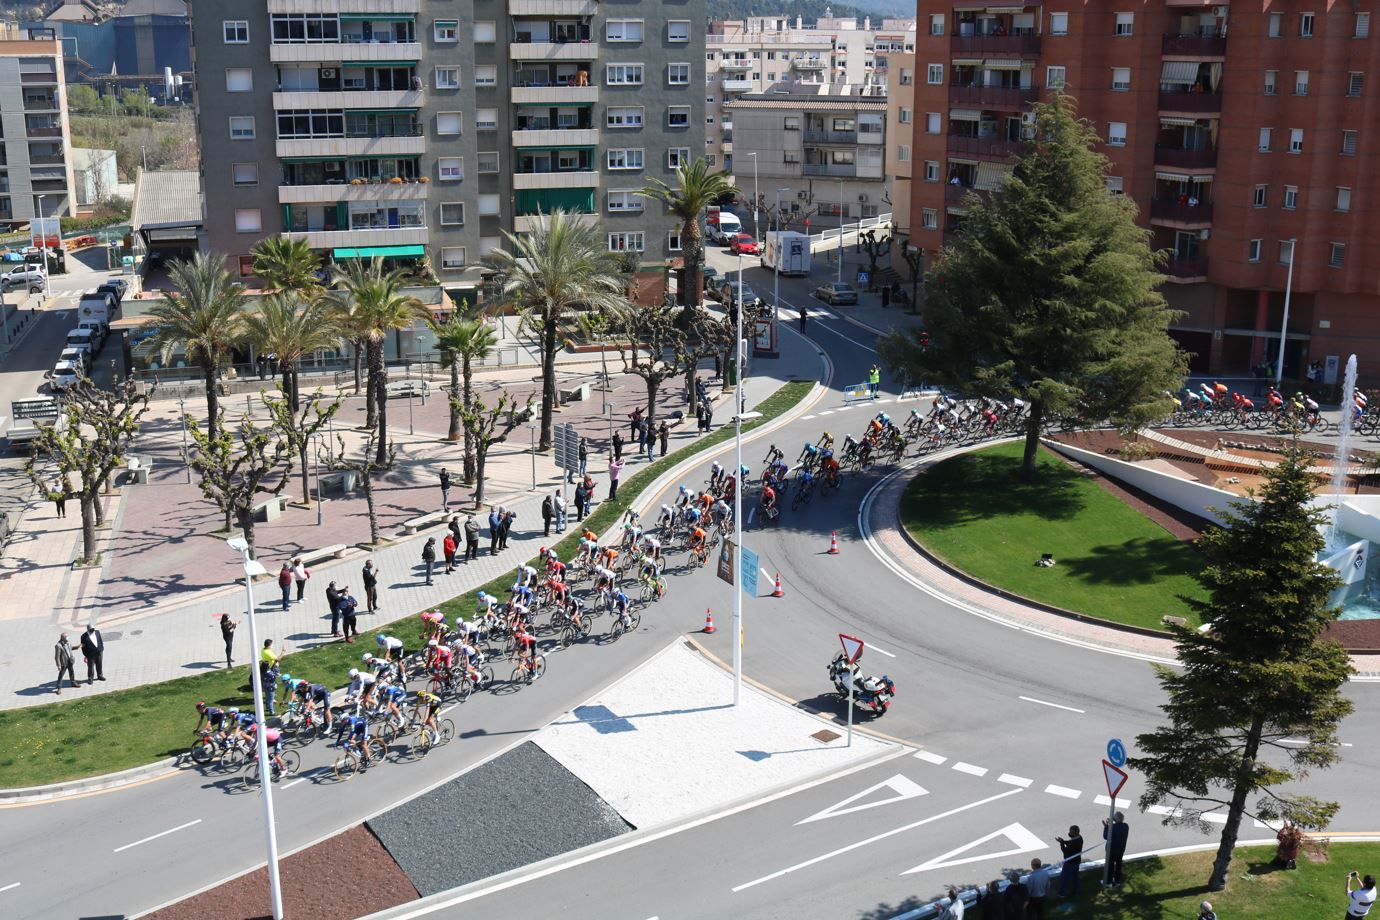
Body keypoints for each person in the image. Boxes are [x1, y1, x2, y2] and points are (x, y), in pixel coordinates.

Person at [1055, 825, 1083, 897]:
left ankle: (1061, 893)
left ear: (1073, 832)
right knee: (1075, 877)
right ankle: (1076, 891)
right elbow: (1070, 842)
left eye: (1070, 831)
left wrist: (1061, 843)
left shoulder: (1073, 843)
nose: (1069, 832)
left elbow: (1065, 851)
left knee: (1064, 878)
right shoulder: (1079, 838)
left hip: (1070, 863)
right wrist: (1064, 841)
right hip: (1077, 861)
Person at [1103, 812, 1130, 885]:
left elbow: (1106, 836)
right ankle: (1117, 881)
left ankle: (1108, 882)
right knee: (1118, 865)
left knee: (1110, 866)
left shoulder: (1113, 827)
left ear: (1115, 819)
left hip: (1112, 850)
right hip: (1121, 849)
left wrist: (1106, 826)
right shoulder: (1126, 826)